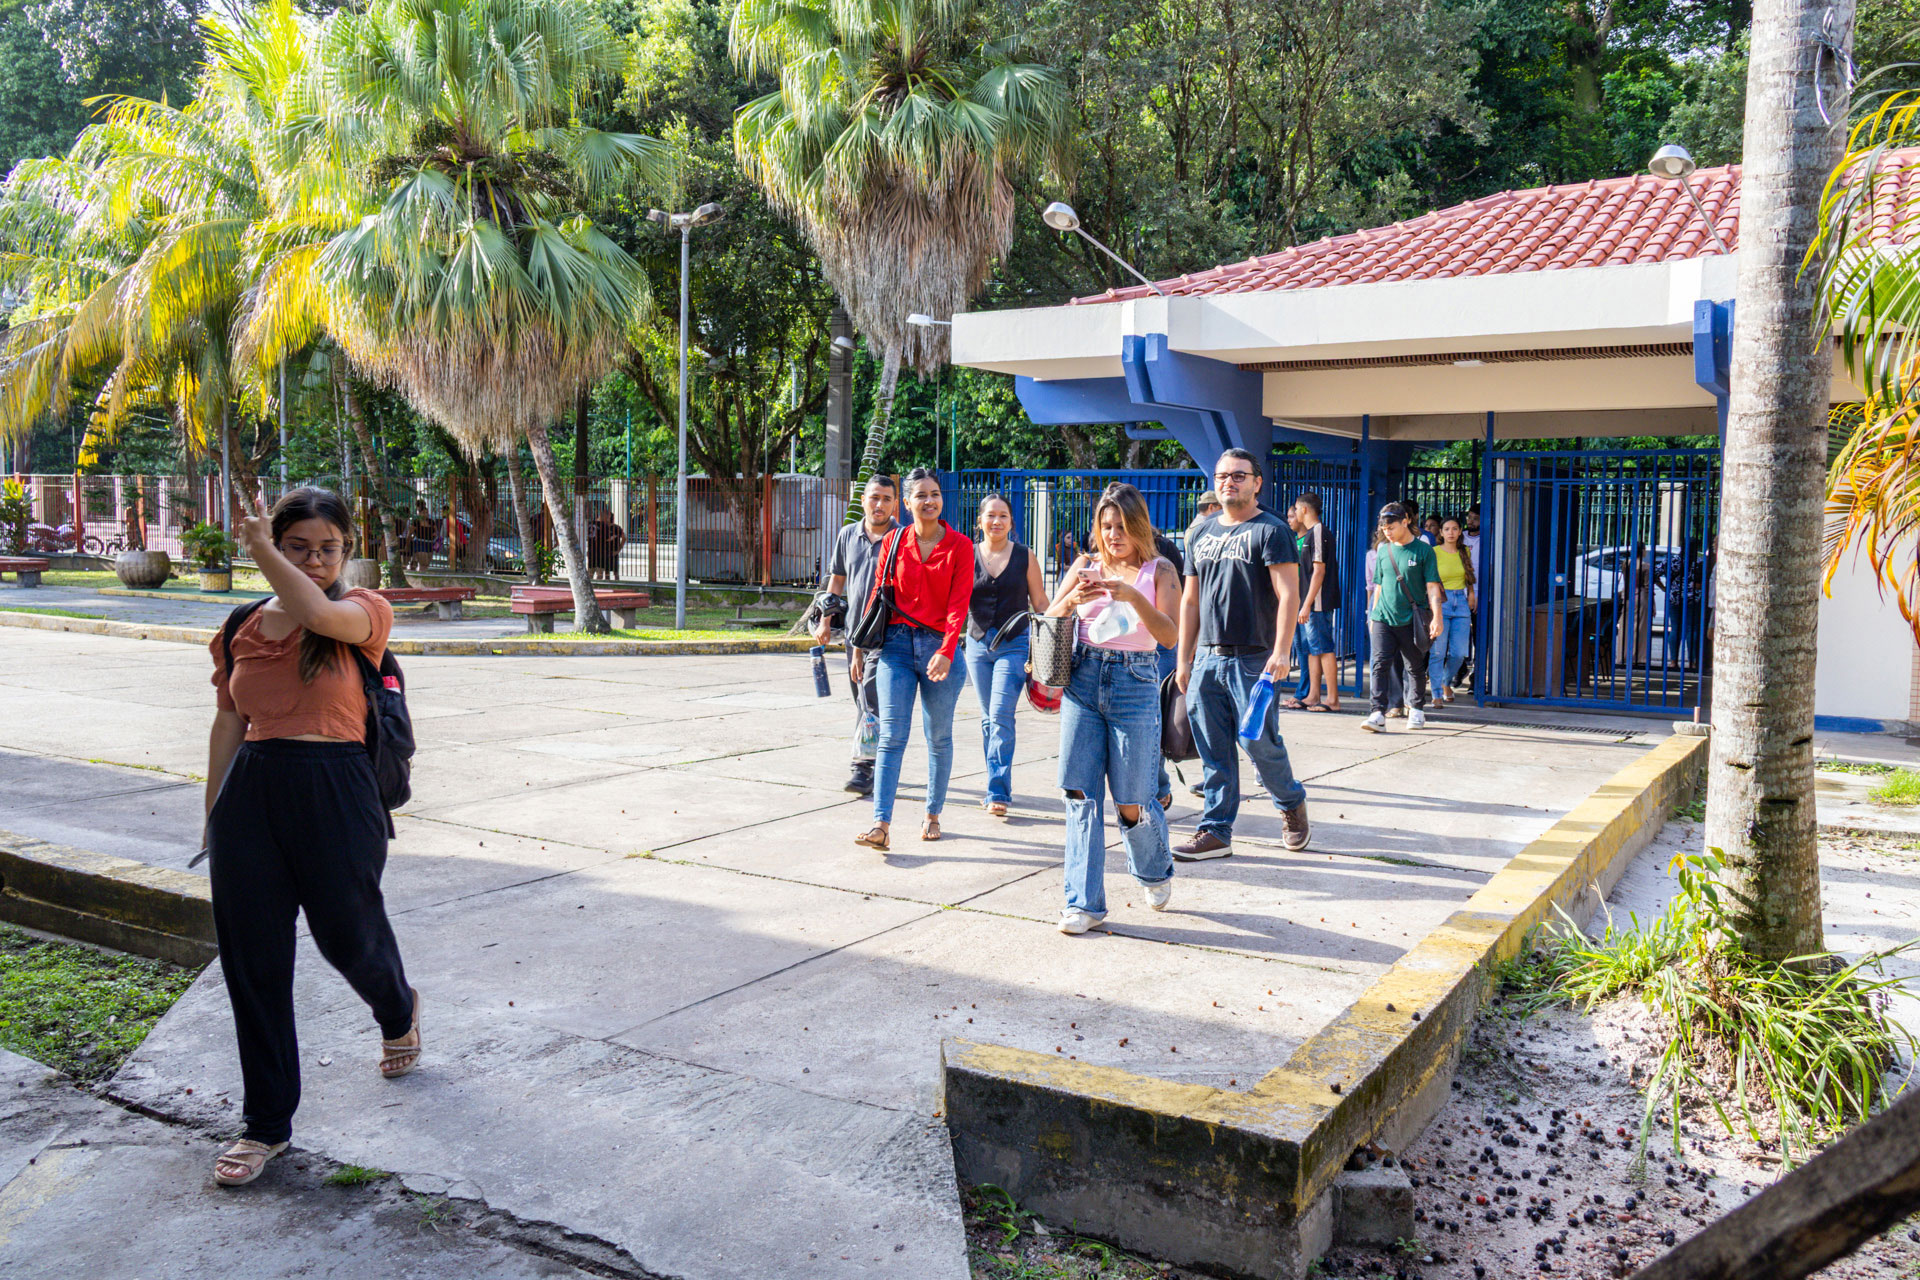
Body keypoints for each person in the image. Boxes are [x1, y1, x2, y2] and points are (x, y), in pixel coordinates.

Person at [203, 487, 418, 1188]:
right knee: (253, 962)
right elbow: (229, 721)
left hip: (336, 789)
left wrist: (262, 550)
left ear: (348, 549)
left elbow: (318, 613)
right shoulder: (242, 623)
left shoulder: (363, 610)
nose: (316, 560)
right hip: (253, 792)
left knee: (347, 936)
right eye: (298, 547)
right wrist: (214, 813)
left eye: (329, 548)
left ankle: (397, 1007)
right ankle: (266, 1123)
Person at [1044, 483, 1181, 933]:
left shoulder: (1160, 570)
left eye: (1121, 526)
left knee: (1131, 802)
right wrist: (1071, 601)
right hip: (1082, 679)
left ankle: (1154, 872)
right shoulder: (1085, 566)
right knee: (1080, 794)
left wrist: (1132, 596)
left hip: (1134, 683)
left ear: (1138, 526)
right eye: (1106, 526)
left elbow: (1170, 635)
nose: (1113, 535)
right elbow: (1049, 617)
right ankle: (1083, 904)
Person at [1174, 449, 1311, 859]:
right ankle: (1215, 830)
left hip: (1254, 659)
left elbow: (1289, 594)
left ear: (1256, 483)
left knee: (1258, 742)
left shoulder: (1271, 530)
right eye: (1222, 476)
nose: (1228, 482)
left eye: (1238, 475)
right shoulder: (1200, 532)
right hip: (1207, 657)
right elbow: (1190, 601)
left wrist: (1282, 652)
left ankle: (1290, 803)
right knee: (1213, 749)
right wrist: (1184, 659)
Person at [855, 469, 972, 850]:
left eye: (935, 494)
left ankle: (933, 813)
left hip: (941, 647)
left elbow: (958, 606)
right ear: (906, 504)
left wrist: (947, 651)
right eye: (920, 495)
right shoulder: (894, 541)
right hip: (896, 647)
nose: (929, 501)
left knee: (938, 737)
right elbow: (878, 593)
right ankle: (880, 825)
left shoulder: (960, 546)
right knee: (892, 736)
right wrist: (859, 646)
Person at [964, 493, 1048, 816]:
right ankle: (994, 783)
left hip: (1014, 645)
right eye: (990, 515)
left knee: (1000, 715)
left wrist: (1056, 638)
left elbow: (1040, 603)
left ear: (1012, 522)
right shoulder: (967, 555)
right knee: (988, 719)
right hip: (977, 644)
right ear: (980, 522)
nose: (996, 521)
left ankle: (998, 791)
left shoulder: (1025, 556)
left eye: (1003, 516)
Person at [815, 475, 898, 795]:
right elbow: (837, 579)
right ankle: (878, 757)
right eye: (874, 497)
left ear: (895, 504)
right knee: (861, 699)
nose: (879, 504)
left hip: (888, 635)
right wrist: (825, 620)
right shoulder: (847, 534)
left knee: (870, 699)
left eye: (886, 499)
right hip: (854, 634)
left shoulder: (902, 537)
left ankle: (863, 768)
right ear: (862, 500)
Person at [1362, 503, 1444, 733]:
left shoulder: (1423, 551)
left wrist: (1437, 617)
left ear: (1405, 521)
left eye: (1391, 527)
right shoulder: (1383, 551)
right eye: (1384, 528)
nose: (1387, 532)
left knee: (1414, 666)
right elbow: (1378, 586)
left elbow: (1432, 587)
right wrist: (1373, 616)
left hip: (1411, 618)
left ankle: (1416, 709)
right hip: (1383, 617)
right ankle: (1377, 712)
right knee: (1379, 664)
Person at [1295, 491, 1340, 711]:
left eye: (1296, 508)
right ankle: (1313, 695)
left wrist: (1306, 603)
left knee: (1323, 648)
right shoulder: (1309, 534)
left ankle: (1332, 699)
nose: (1295, 513)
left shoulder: (1319, 531)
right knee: (1313, 649)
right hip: (1310, 602)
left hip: (1318, 602)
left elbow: (1319, 571)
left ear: (1304, 509)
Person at [1427, 517, 1475, 702]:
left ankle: (1445, 682)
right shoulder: (1434, 552)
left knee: (1459, 653)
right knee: (1438, 651)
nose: (1451, 533)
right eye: (1447, 529)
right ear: (1441, 532)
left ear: (1460, 531)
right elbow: (1429, 578)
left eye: (1455, 529)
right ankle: (1437, 693)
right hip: (1441, 601)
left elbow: (1469, 575)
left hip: (1461, 601)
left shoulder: (1464, 551)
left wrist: (1471, 593)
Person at [1363, 527, 1404, 715]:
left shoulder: (1401, 550)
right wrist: (1369, 610)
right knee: (1377, 655)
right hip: (1377, 601)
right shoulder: (1371, 555)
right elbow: (1371, 585)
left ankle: (1397, 701)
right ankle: (1377, 701)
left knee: (1395, 655)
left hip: (1395, 598)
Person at [409, 500, 435, 571]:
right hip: (419, 543)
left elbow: (436, 531)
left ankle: (422, 575)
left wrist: (435, 534)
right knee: (423, 563)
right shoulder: (416, 522)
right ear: (419, 513)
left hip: (429, 543)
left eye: (426, 513)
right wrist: (408, 543)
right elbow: (410, 533)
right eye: (423, 513)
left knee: (427, 564)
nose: (425, 514)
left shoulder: (431, 522)